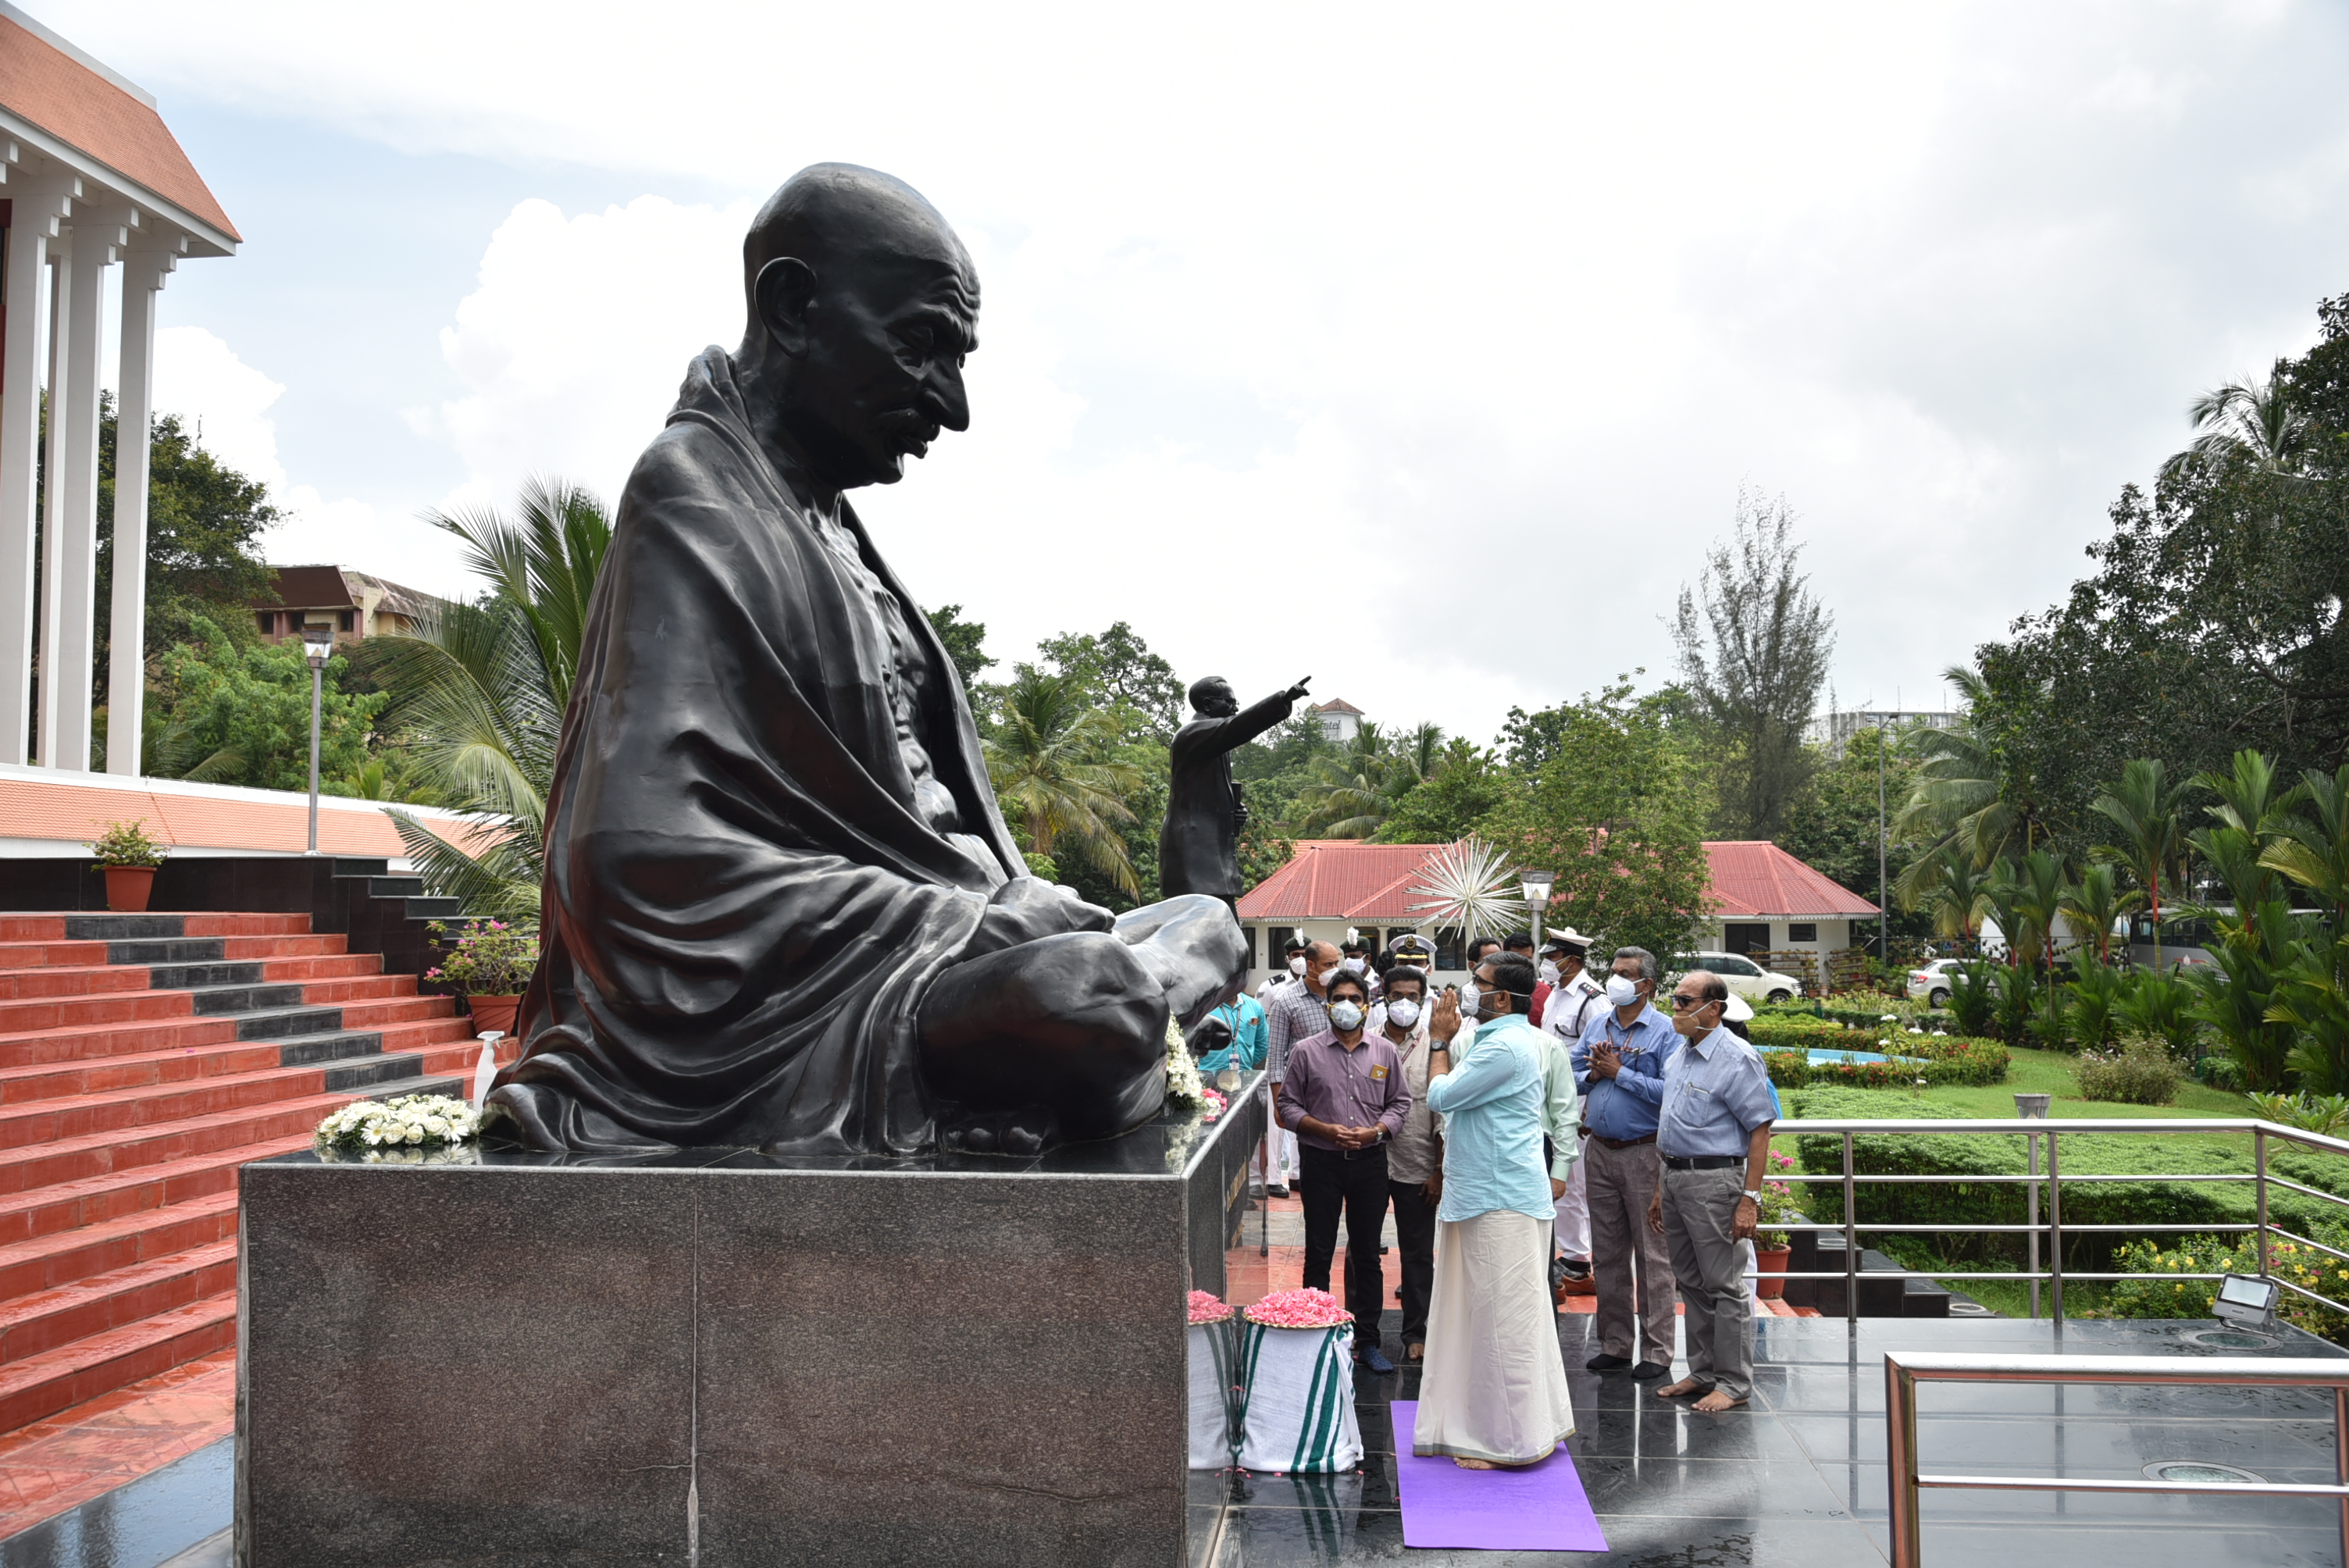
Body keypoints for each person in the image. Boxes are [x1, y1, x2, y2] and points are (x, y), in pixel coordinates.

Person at [488, 164, 1242, 1158]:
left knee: (1208, 922)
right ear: (792, 307)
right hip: (807, 996)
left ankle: (1111, 1037)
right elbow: (636, 859)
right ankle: (1114, 1040)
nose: (952, 404)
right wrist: (965, 924)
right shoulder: (693, 496)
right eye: (920, 346)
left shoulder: (831, 522)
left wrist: (994, 916)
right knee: (1087, 994)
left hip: (949, 944)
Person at [1415, 952, 1576, 1468]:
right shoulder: (1500, 1040)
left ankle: (1507, 1441)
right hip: (1484, 1193)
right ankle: (1496, 1425)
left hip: (1501, 1198)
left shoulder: (1505, 1045)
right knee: (1486, 1316)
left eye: (1478, 982)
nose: (1468, 989)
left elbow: (1441, 1095)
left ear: (1502, 997)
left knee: (1503, 1322)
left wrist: (1438, 1041)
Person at [1649, 971, 1777, 1412]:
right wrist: (1659, 1189)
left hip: (1715, 1182)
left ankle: (1734, 1383)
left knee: (1725, 1285)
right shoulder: (1679, 1055)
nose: (1676, 1008)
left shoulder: (1737, 1057)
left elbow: (1760, 1131)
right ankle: (1703, 1372)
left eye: (1685, 1001)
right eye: (1675, 999)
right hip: (1674, 1176)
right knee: (1690, 1282)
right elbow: (1671, 1126)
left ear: (1714, 1009)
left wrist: (1749, 1200)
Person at [1277, 968, 1412, 1374]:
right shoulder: (1305, 1051)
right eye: (1339, 999)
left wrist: (1376, 1131)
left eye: (1355, 999)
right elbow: (1287, 1106)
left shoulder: (1384, 1051)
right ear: (1327, 1005)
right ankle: (1315, 1335)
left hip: (1370, 1163)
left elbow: (1400, 1103)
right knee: (1319, 1251)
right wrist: (1323, 1129)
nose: (1347, 1006)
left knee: (1367, 1254)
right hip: (1322, 1162)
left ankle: (1367, 1340)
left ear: (1367, 1006)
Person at [1570, 946, 1680, 1379]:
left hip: (1644, 1152)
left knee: (1653, 1255)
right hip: (1599, 1150)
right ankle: (1615, 1344)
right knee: (1607, 1252)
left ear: (1646, 984)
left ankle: (1657, 1350)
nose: (1614, 979)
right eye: (1613, 971)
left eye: (1625, 973)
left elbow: (1671, 1091)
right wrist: (1594, 1074)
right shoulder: (1598, 1023)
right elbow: (1569, 1075)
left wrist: (1621, 1073)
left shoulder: (1666, 1031)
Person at [1160, 676, 1310, 906]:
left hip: (1210, 852)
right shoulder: (1193, 734)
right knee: (1208, 919)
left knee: (1223, 920)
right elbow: (1238, 726)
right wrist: (1281, 701)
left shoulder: (1211, 740)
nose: (1235, 709)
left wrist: (1234, 811)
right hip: (1195, 851)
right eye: (1229, 702)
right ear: (1208, 704)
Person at [1377, 964, 1441, 1361]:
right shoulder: (1366, 1042)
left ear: (1423, 999)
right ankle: (1363, 1331)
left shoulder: (1436, 1047)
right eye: (1397, 995)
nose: (1404, 1003)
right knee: (1362, 1251)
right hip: (1370, 1163)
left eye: (1412, 996)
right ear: (1384, 997)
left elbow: (1443, 1113)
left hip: (1418, 1164)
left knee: (1417, 1254)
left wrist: (1439, 1170)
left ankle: (1416, 1331)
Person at [1540, 931, 1605, 1293]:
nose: (1547, 963)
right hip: (1553, 1098)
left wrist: (1589, 1109)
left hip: (1577, 1101)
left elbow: (1603, 1057)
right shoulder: (1556, 994)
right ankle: (1572, 1253)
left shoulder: (1592, 999)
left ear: (1572, 959)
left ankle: (1579, 1257)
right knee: (1562, 1175)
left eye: (1553, 957)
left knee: (1575, 1180)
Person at [1261, 939, 1339, 1197]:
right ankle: (1290, 1180)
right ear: (1311, 966)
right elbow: (1275, 1057)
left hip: (1339, 1089)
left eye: (1337, 963)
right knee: (1310, 1157)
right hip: (1301, 1089)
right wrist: (1279, 1103)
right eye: (1329, 964)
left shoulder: (1341, 997)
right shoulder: (1286, 1002)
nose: (1334, 969)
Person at [1197, 989, 1268, 1078]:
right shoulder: (1203, 1007)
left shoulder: (1255, 1007)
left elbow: (1263, 1045)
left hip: (1242, 1075)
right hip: (1208, 1075)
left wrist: (1245, 1063)